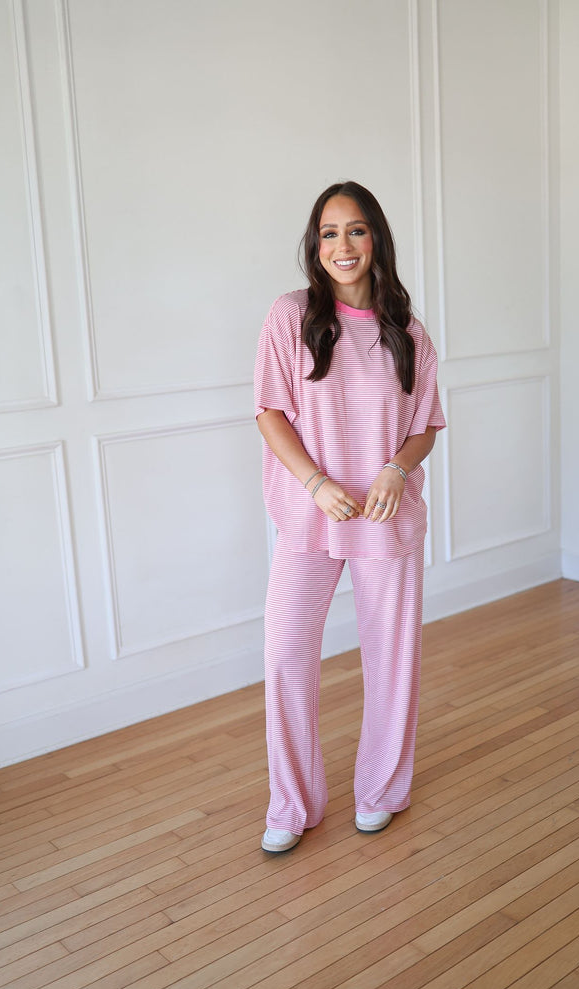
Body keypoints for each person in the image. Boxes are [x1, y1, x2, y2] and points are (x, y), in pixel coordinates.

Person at [253, 181, 446, 853]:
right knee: (285, 652)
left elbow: (425, 426)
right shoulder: (290, 316)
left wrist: (396, 467)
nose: (343, 245)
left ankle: (382, 792)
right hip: (312, 515)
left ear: (377, 240)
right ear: (316, 244)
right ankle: (292, 803)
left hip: (385, 517)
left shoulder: (407, 332)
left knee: (392, 657)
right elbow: (270, 412)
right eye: (330, 233)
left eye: (356, 230)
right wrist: (315, 483)